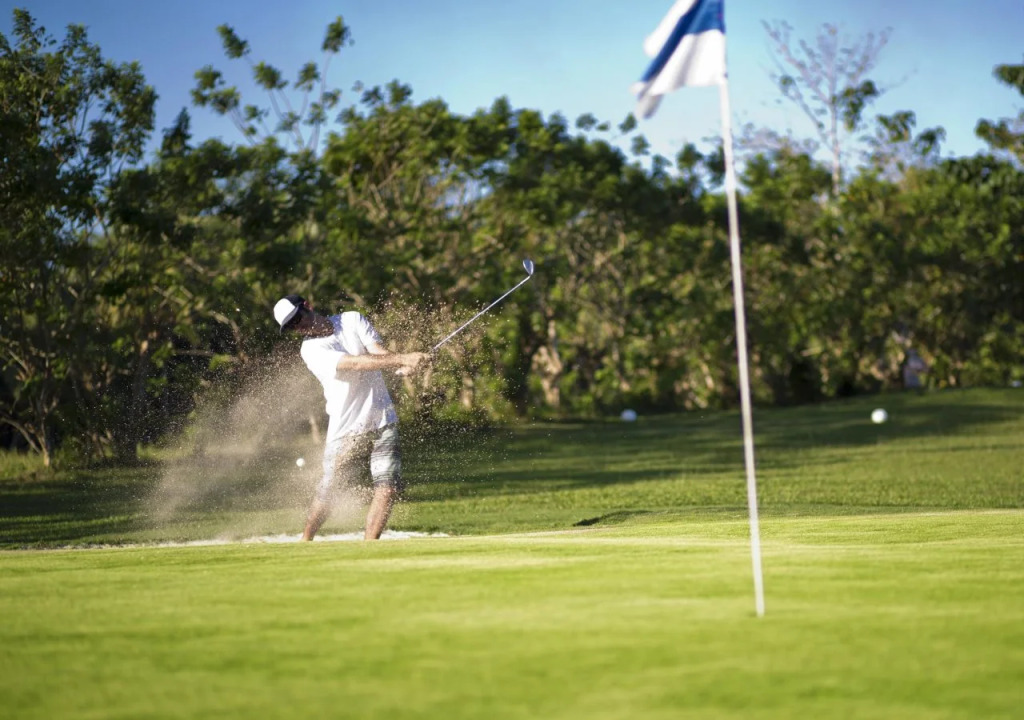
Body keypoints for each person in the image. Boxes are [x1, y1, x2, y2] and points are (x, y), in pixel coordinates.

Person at [273, 294, 429, 541]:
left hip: (382, 419)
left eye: (297, 319)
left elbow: (378, 352)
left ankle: (369, 548)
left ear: (308, 306)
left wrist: (403, 365)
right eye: (291, 326)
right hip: (346, 429)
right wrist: (402, 358)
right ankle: (306, 540)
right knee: (329, 492)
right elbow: (356, 364)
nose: (298, 327)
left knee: (387, 487)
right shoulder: (310, 350)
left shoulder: (352, 319)